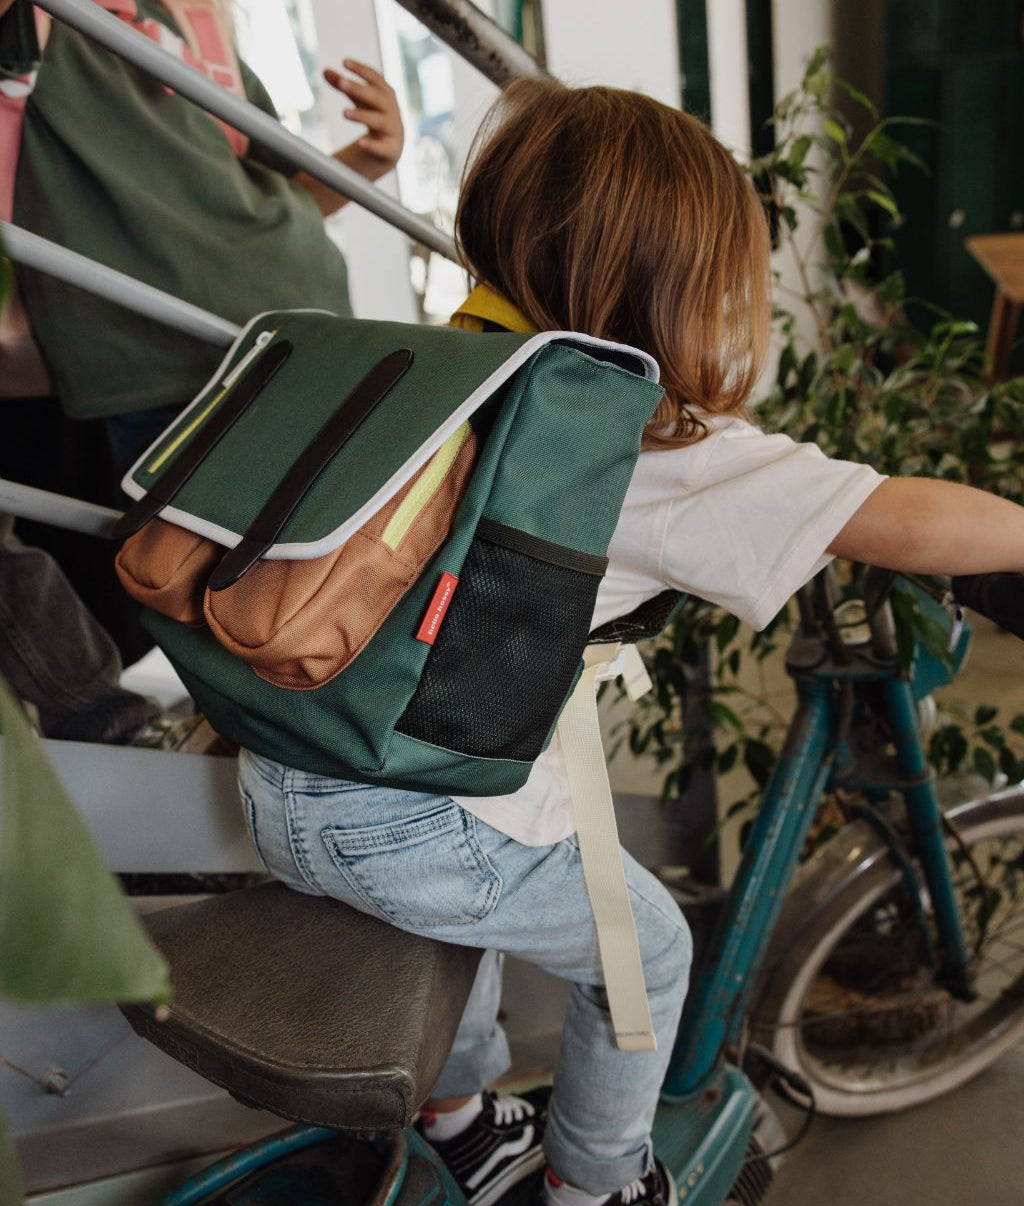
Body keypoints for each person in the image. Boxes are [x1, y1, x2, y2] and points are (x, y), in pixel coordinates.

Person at [238, 79, 1024, 1206]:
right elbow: (901, 516)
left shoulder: (452, 365)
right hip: (395, 821)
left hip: (285, 757)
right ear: (679, 293)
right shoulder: (640, 453)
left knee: (490, 896)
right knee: (643, 950)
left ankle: (459, 1121)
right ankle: (595, 1184)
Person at [0, 0, 403, 736]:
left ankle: (324, 765)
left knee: (326, 570)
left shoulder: (193, 23)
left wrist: (368, 163)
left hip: (297, 325)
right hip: (159, 355)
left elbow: (276, 189)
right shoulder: (41, 25)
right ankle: (275, 763)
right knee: (210, 592)